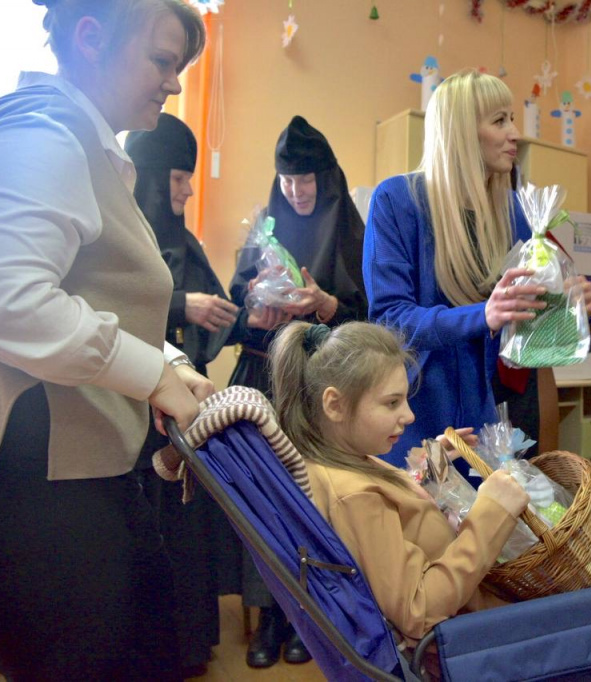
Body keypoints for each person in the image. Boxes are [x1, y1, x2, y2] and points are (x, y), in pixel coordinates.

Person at [0, 2, 210, 680]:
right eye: (161, 61)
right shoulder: (43, 135)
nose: (173, 83)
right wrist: (151, 375)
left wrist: (167, 364)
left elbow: (91, 296)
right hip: (39, 500)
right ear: (91, 38)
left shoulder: (91, 148)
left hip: (81, 483)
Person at [268, 320, 591, 681]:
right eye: (391, 403)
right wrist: (492, 513)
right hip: (473, 645)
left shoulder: (347, 464)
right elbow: (417, 610)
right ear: (334, 404)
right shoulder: (354, 495)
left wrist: (429, 468)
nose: (408, 416)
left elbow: (398, 523)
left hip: (478, 626)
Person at [364, 68, 591, 469]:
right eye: (500, 120)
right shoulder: (397, 200)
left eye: (512, 119)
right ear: (462, 133)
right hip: (412, 421)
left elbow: (526, 329)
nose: (515, 134)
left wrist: (569, 310)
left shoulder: (514, 213)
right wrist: (483, 315)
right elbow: (390, 321)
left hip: (484, 426)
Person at [226, 115, 368, 668]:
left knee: (314, 502)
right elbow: (236, 310)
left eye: (305, 179)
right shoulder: (264, 229)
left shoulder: (352, 231)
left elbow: (369, 319)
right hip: (264, 379)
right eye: (286, 180)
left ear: (326, 179)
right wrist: (255, 304)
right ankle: (270, 615)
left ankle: (311, 613)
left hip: (321, 387)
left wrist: (325, 305)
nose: (295, 190)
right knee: (261, 500)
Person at [125, 112, 239, 677]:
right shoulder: (123, 235)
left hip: (182, 411)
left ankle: (190, 643)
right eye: (178, 178)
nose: (188, 190)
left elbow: (219, 317)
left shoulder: (183, 240)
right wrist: (180, 306)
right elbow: (112, 308)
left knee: (186, 529)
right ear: (150, 178)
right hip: (133, 416)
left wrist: (231, 311)